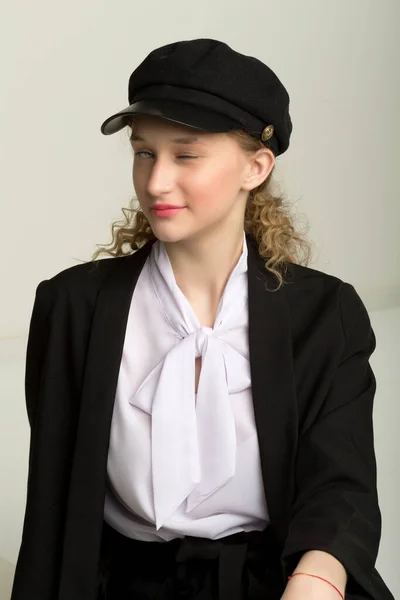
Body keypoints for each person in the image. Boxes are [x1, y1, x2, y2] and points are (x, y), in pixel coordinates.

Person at [11, 38, 394, 600]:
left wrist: (318, 578)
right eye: (144, 153)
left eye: (185, 155)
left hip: (278, 584)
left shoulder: (323, 313)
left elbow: (341, 486)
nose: (156, 181)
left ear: (256, 167)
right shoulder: (73, 307)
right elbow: (54, 502)